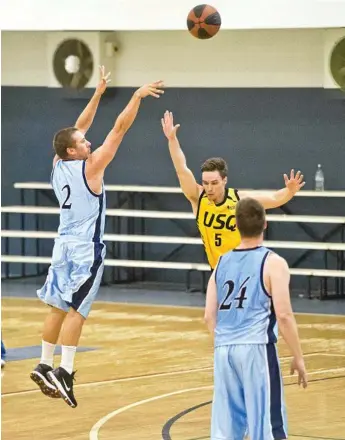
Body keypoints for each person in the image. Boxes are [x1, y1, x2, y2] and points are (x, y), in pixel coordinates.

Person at [30, 66, 165, 408]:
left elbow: (80, 126)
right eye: (83, 143)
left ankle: (44, 363)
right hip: (85, 250)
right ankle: (65, 370)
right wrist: (135, 96)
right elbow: (119, 128)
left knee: (57, 306)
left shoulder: (57, 164)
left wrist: (99, 93)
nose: (88, 141)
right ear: (73, 152)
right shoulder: (93, 165)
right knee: (77, 310)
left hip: (62, 245)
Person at [204, 197, 308, 440]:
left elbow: (209, 315)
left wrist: (225, 342)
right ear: (265, 224)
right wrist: (298, 356)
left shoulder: (221, 262)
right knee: (268, 427)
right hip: (256, 349)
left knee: (226, 430)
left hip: (224, 349)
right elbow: (283, 315)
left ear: (236, 225)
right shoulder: (273, 263)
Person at [161, 111, 305, 270]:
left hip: (243, 270)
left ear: (224, 180)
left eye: (214, 183)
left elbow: (274, 198)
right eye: (206, 183)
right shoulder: (198, 197)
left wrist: (290, 191)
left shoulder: (238, 200)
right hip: (217, 269)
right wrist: (172, 140)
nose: (209, 188)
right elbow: (181, 168)